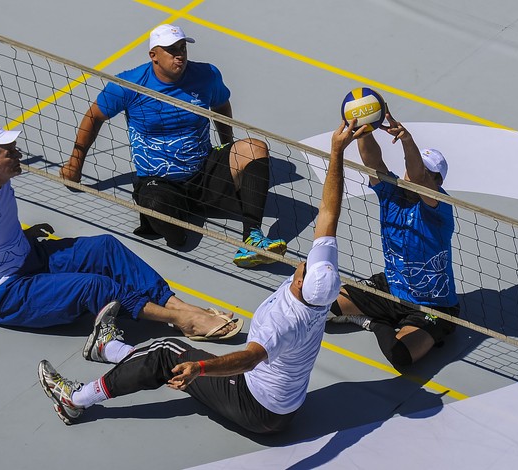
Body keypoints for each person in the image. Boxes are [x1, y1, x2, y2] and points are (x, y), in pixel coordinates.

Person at [37, 120, 364, 433]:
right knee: (179, 363)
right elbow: (330, 211)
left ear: (299, 281)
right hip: (286, 405)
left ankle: (75, 399)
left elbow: (250, 359)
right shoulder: (319, 292)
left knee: (167, 353)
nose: (307, 261)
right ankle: (111, 351)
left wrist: (202, 369)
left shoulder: (285, 319)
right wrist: (337, 152)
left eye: (305, 266)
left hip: (256, 408)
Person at [0, 123, 242, 348]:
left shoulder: (0, 177)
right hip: (3, 295)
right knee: (96, 286)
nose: (18, 153)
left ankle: (179, 305)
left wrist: (25, 234)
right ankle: (178, 321)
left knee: (105, 247)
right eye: (10, 152)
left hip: (29, 256)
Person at [60, 24, 286, 268]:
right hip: (159, 181)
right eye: (171, 50)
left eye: (182, 48)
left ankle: (252, 239)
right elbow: (94, 116)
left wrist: (227, 145)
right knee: (174, 235)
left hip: (203, 170)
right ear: (153, 56)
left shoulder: (207, 75)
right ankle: (179, 214)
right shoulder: (129, 85)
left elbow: (221, 105)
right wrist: (75, 164)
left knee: (255, 147)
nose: (180, 54)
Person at [328, 112, 460, 369]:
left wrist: (407, 141)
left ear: (438, 183)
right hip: (391, 286)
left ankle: (376, 322)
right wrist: (364, 129)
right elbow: (373, 160)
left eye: (426, 172)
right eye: (415, 167)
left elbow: (419, 178)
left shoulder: (439, 208)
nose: (415, 174)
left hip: (433, 307)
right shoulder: (391, 193)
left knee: (399, 356)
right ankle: (378, 314)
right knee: (320, 306)